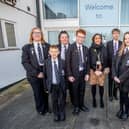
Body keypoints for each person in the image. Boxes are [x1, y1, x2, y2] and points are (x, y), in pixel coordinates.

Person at [22, 27, 50, 115]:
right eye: (35, 33)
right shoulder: (26, 47)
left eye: (39, 33)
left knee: (46, 91)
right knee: (38, 93)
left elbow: (50, 59)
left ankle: (46, 107)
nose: (37, 34)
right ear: (32, 35)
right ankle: (40, 109)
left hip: (45, 73)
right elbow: (25, 62)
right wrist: (37, 73)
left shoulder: (47, 46)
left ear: (41, 35)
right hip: (33, 75)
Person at [66, 28, 90, 115]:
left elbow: (88, 63)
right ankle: (76, 107)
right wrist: (69, 75)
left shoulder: (85, 49)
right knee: (74, 91)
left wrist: (87, 73)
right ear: (76, 37)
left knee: (82, 90)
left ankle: (81, 105)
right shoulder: (70, 47)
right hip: (74, 74)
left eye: (83, 37)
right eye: (79, 36)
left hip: (83, 74)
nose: (81, 39)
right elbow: (67, 62)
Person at [44, 45, 66, 122]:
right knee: (54, 101)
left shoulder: (62, 62)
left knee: (61, 100)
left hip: (60, 84)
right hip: (52, 85)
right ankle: (56, 114)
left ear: (58, 52)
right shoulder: (46, 62)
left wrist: (65, 85)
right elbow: (45, 76)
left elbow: (65, 74)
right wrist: (46, 87)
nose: (54, 53)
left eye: (56, 51)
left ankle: (62, 112)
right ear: (49, 52)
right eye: (52, 51)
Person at [89, 33, 109, 108]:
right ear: (93, 40)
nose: (98, 39)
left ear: (101, 39)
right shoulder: (90, 49)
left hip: (101, 70)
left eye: (99, 38)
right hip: (93, 70)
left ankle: (101, 99)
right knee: (93, 86)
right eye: (96, 38)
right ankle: (94, 99)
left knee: (101, 86)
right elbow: (89, 61)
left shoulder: (104, 48)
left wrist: (102, 69)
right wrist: (94, 70)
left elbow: (106, 59)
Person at [112, 32, 129, 121]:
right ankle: (121, 109)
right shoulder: (120, 49)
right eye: (125, 38)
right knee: (121, 95)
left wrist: (120, 79)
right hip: (117, 78)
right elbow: (114, 63)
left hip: (126, 80)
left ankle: (126, 112)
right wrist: (114, 75)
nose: (127, 40)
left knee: (125, 96)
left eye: (128, 38)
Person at [57, 30, 73, 104]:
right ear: (59, 38)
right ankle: (63, 102)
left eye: (66, 37)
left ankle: (73, 102)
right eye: (62, 37)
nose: (64, 39)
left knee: (72, 89)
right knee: (61, 89)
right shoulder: (56, 48)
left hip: (71, 72)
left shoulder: (73, 47)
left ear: (68, 38)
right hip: (60, 73)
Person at [107, 28, 122, 101]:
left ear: (119, 34)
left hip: (118, 67)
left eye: (117, 33)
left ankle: (115, 94)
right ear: (112, 34)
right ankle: (110, 95)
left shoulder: (122, 43)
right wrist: (107, 67)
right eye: (114, 33)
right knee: (110, 81)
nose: (116, 35)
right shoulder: (108, 43)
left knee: (116, 81)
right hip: (110, 66)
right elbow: (106, 56)